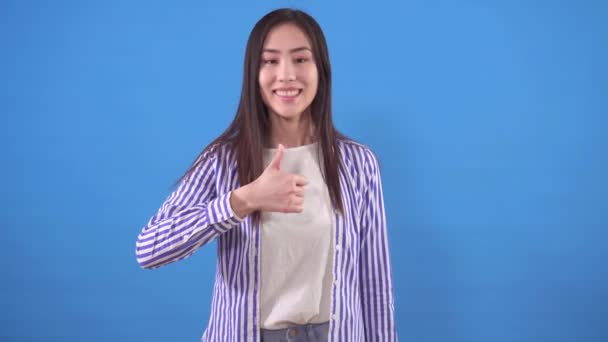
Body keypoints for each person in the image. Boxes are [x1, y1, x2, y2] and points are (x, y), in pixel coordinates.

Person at [135, 8, 396, 342]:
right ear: (253, 73)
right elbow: (150, 248)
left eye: (301, 59)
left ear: (321, 70)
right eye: (270, 61)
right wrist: (242, 201)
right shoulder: (223, 160)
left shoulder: (358, 164)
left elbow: (374, 283)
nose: (286, 75)